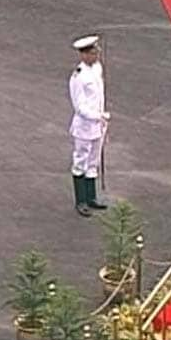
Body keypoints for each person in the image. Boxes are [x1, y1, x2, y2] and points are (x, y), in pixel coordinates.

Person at [68, 35, 110, 217]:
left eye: (97, 51)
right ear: (84, 55)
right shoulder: (79, 76)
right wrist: (97, 116)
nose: (97, 54)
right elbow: (80, 106)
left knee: (93, 161)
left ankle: (92, 197)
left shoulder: (97, 69)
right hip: (84, 126)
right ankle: (81, 200)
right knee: (81, 161)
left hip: (98, 125)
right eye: (93, 52)